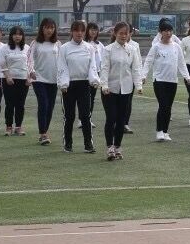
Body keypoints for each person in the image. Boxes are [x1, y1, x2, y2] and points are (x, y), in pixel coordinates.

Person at [99, 22, 142, 160]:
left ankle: (117, 146)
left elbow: (135, 68)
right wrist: (104, 85)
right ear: (115, 33)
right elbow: (104, 68)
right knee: (111, 118)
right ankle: (109, 147)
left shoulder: (132, 49)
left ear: (129, 34)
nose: (123, 36)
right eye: (121, 33)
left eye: (126, 33)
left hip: (126, 89)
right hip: (110, 90)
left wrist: (138, 85)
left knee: (121, 119)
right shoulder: (108, 49)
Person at [142, 19, 188, 145]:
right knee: (163, 105)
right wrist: (143, 75)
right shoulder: (156, 46)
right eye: (165, 31)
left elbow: (181, 63)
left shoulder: (176, 46)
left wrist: (187, 76)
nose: (168, 33)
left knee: (168, 106)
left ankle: (166, 131)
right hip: (159, 80)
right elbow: (148, 61)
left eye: (170, 31)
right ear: (161, 32)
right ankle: (159, 131)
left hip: (172, 81)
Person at [59, 20, 100, 153]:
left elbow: (92, 66)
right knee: (69, 116)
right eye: (76, 30)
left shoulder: (89, 48)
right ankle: (68, 144)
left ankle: (88, 145)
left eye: (82, 30)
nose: (79, 33)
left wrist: (94, 80)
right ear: (72, 32)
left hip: (84, 84)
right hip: (69, 86)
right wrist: (63, 83)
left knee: (85, 116)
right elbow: (62, 66)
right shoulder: (64, 48)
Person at [28, 18, 61, 146]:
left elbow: (62, 61)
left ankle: (45, 131)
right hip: (39, 78)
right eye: (47, 27)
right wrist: (31, 71)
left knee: (50, 106)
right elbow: (29, 59)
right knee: (43, 103)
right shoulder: (35, 43)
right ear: (42, 28)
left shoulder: (57, 44)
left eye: (52, 27)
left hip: (53, 79)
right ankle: (42, 134)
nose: (49, 30)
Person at [0, 26, 31, 138]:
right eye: (15, 34)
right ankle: (8, 127)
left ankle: (18, 127)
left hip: (23, 80)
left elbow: (31, 64)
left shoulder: (27, 48)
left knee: (20, 104)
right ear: (11, 36)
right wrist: (8, 77)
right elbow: (2, 63)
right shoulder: (5, 48)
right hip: (8, 80)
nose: (17, 36)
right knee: (9, 104)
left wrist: (29, 78)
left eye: (20, 34)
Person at [84, 23, 105, 128]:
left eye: (95, 30)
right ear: (87, 30)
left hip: (96, 73)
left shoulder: (100, 45)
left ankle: (88, 118)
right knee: (84, 98)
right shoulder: (84, 43)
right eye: (91, 29)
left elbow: (103, 59)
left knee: (91, 97)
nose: (93, 32)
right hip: (85, 74)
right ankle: (82, 119)